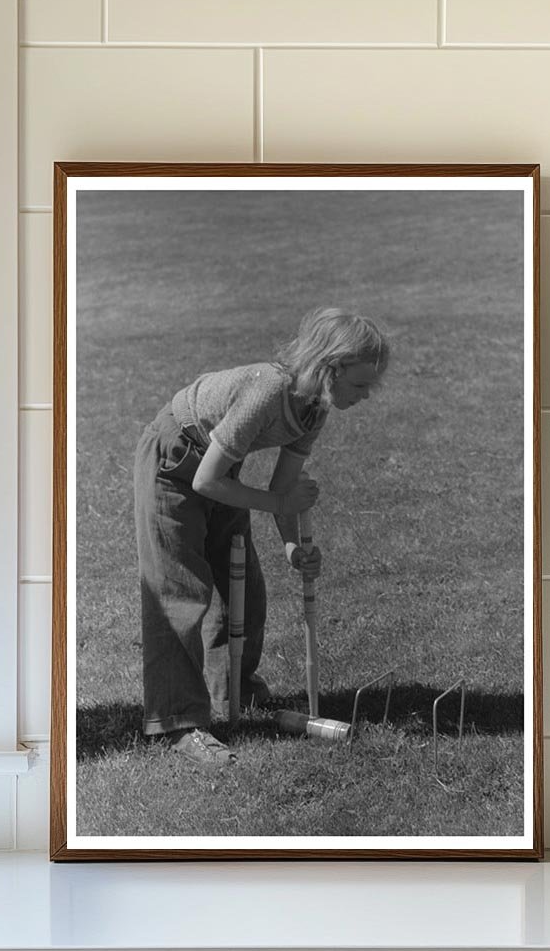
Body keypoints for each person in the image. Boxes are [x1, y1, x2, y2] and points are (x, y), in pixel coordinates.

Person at [133, 307, 390, 766]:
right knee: (181, 594)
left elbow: (280, 489)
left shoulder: (314, 409)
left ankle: (235, 694)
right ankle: (179, 722)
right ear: (328, 370)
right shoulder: (268, 388)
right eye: (360, 384)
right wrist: (279, 506)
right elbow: (205, 483)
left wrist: (292, 547)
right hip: (174, 464)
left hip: (217, 468)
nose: (367, 395)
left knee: (245, 593)